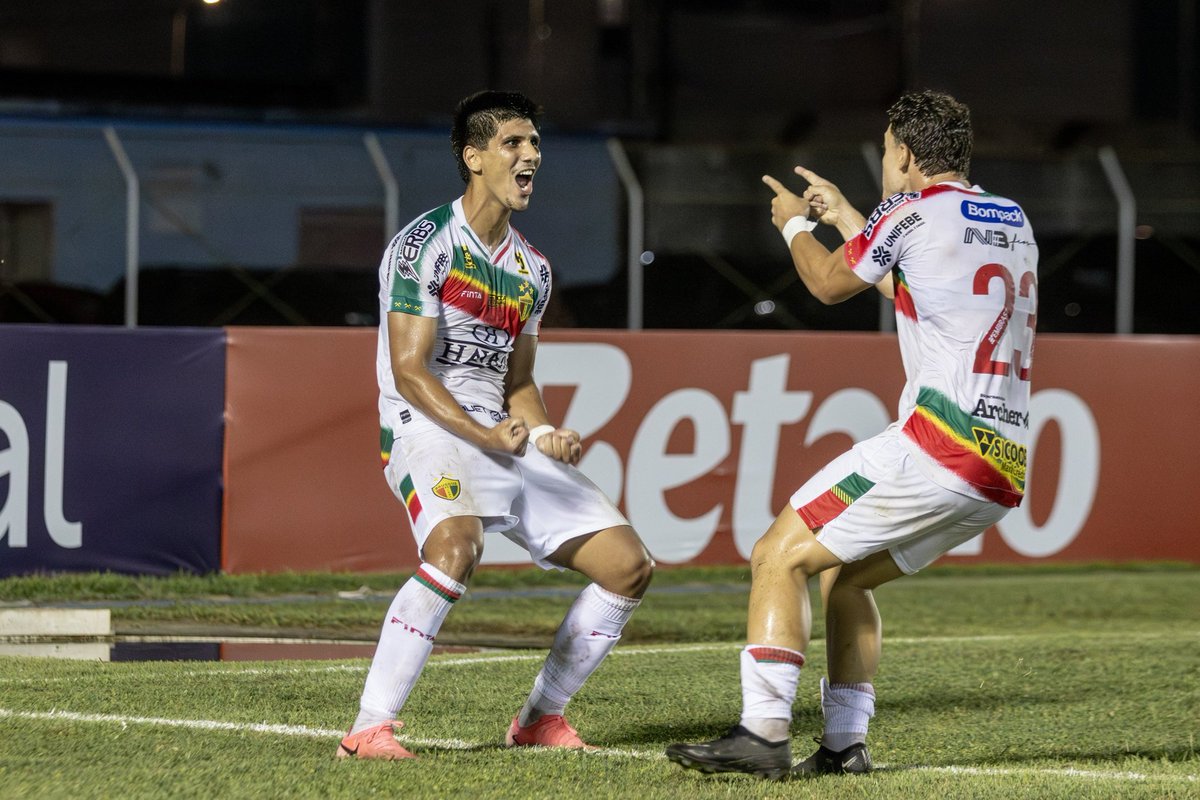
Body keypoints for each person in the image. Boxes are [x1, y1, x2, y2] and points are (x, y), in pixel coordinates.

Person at [666, 90, 1038, 780]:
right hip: (1002, 464)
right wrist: (843, 216)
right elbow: (917, 287)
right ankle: (844, 745)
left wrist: (792, 228)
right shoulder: (1010, 217)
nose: (886, 158)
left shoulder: (910, 210)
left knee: (777, 554)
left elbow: (829, 285)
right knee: (844, 579)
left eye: (888, 146)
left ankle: (762, 733)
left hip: (936, 443)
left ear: (903, 152)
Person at [337, 90, 655, 761]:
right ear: (473, 156)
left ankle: (540, 718)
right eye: (513, 143)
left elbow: (518, 385)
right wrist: (485, 436)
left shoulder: (531, 272)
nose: (530, 155)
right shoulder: (424, 245)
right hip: (424, 427)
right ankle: (368, 728)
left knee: (628, 565)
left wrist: (545, 435)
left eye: (534, 143)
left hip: (498, 435)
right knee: (455, 548)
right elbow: (409, 369)